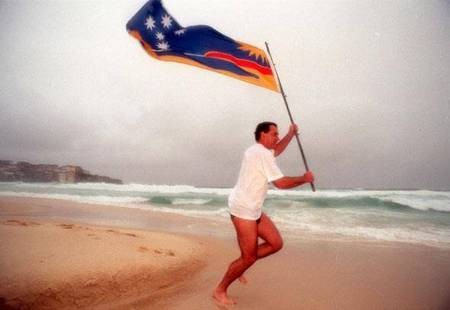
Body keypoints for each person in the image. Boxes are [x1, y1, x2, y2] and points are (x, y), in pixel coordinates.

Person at [213, 121, 314, 305]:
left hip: (252, 207)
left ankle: (240, 264)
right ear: (263, 135)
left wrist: (291, 134)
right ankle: (220, 290)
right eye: (274, 134)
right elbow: (281, 184)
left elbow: (277, 149)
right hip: (243, 209)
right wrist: (304, 179)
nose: (277, 137)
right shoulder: (260, 154)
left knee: (276, 243)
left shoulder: (260, 151)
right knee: (249, 257)